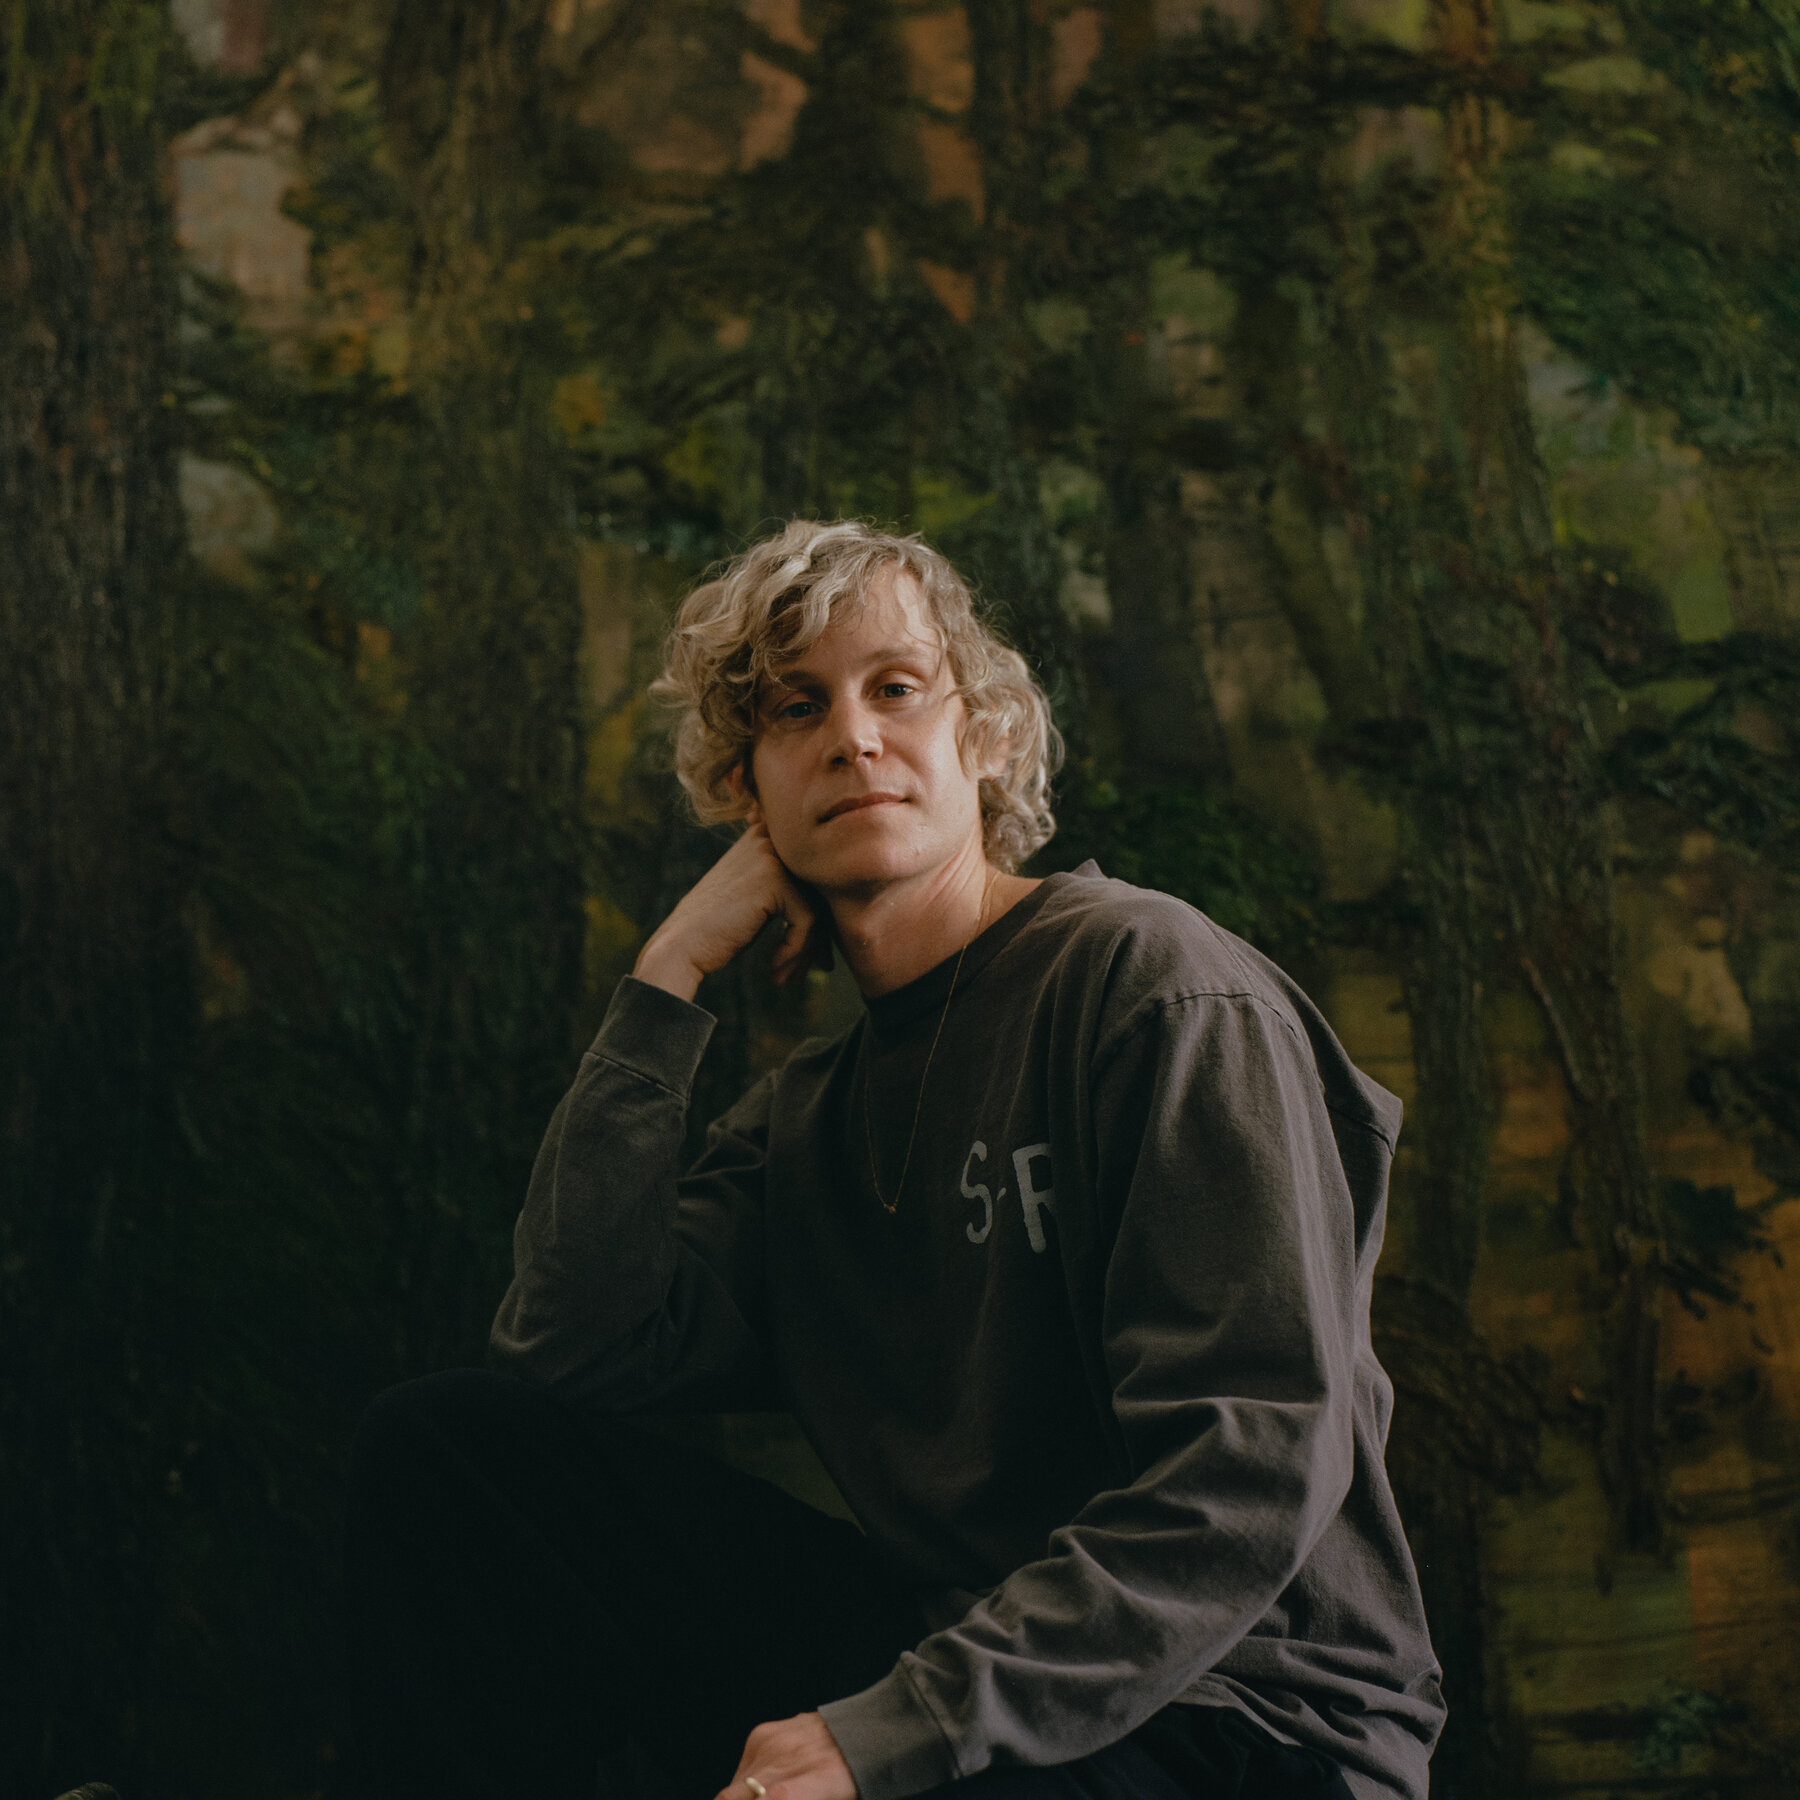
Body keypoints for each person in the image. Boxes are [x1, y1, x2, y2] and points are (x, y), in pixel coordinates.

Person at [343, 521, 1444, 1800]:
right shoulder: (808, 1118)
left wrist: (884, 1735)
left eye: (898, 688)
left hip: (1241, 1720)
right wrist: (666, 978)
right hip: (956, 1658)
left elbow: (1248, 1468)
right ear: (747, 792)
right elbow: (573, 1342)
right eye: (797, 708)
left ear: (985, 737)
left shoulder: (1154, 986)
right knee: (449, 1453)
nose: (854, 737)